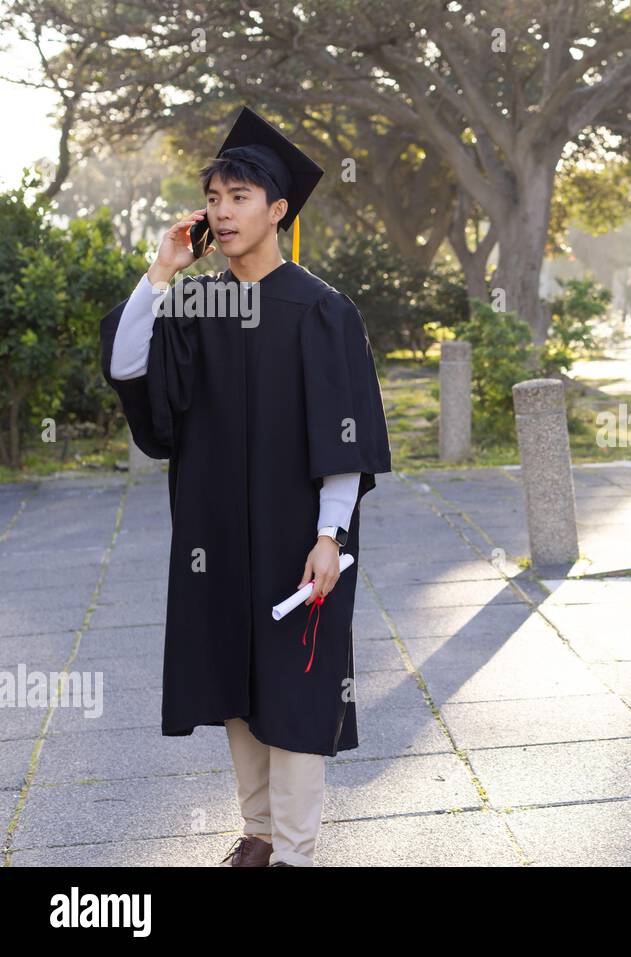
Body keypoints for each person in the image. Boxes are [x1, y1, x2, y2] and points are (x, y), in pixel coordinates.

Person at [98, 107, 392, 867]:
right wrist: (162, 273)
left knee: (296, 688)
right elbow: (131, 368)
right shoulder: (199, 304)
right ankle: (257, 833)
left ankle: (294, 850)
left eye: (239, 196)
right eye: (214, 197)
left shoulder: (322, 310)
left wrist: (333, 536)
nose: (223, 211)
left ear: (278, 209)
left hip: (300, 535)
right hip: (217, 532)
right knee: (236, 676)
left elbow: (345, 438)